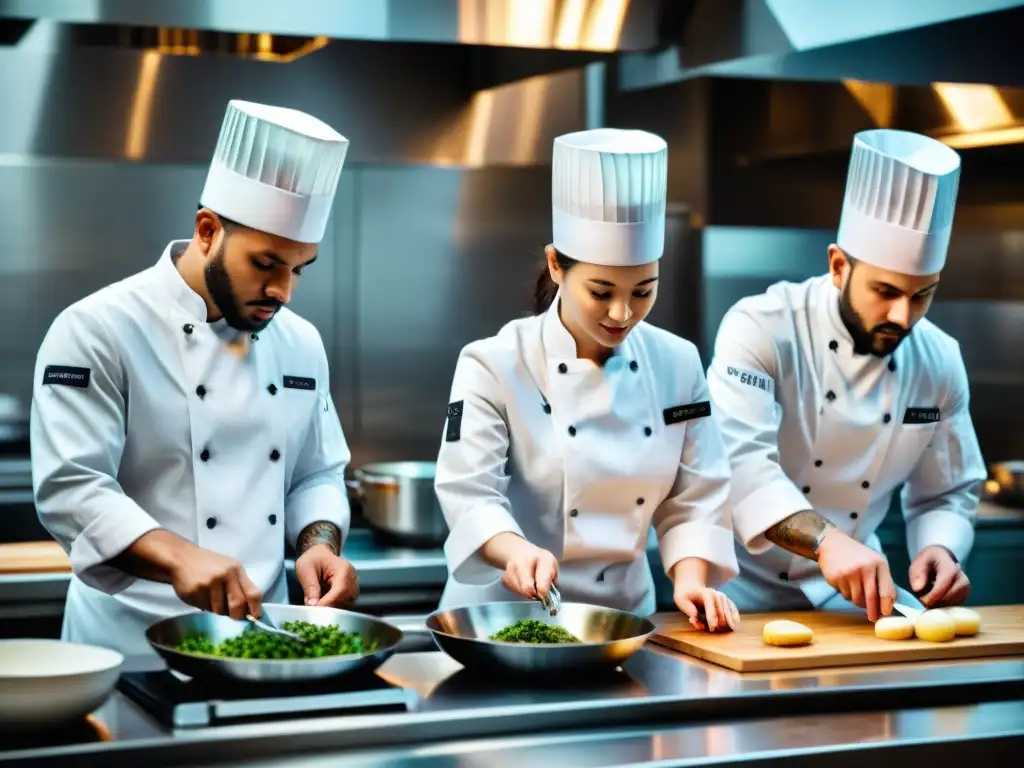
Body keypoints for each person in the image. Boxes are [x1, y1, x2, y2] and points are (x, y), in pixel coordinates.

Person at [30, 100, 359, 656]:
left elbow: (316, 472)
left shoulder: (299, 342)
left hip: (261, 633)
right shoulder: (98, 329)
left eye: (299, 269)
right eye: (266, 263)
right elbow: (74, 488)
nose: (284, 291)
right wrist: (181, 556)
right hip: (128, 641)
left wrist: (318, 542)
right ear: (208, 231)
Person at [434, 128, 741, 631]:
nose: (623, 314)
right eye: (601, 292)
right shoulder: (493, 362)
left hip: (622, 621)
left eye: (644, 291)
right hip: (506, 620)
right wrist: (515, 552)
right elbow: (470, 492)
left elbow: (696, 496)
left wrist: (690, 579)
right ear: (557, 265)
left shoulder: (678, 362)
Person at [706, 129, 986, 622]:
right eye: (886, 290)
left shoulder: (939, 359)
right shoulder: (762, 328)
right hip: (732, 594)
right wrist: (827, 541)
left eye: (922, 295)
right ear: (839, 266)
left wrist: (941, 547)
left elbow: (947, 490)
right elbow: (740, 466)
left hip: (849, 600)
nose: (903, 316)